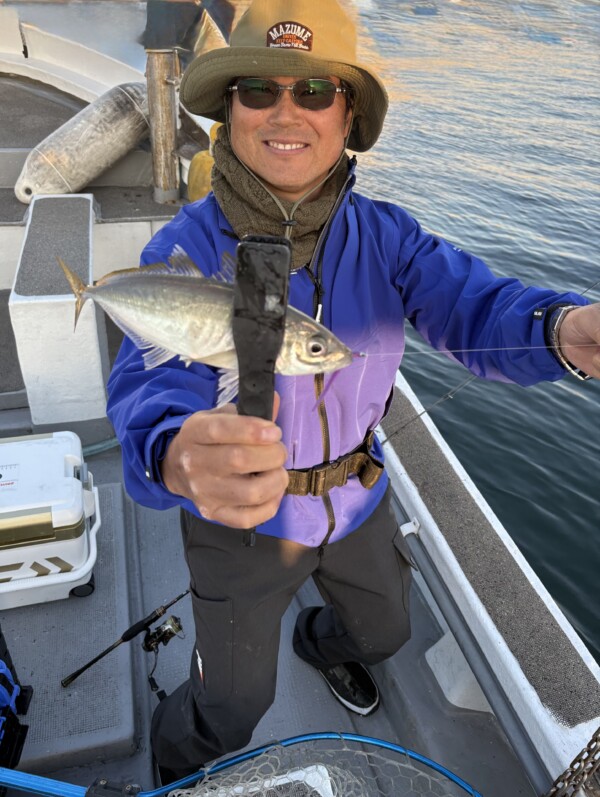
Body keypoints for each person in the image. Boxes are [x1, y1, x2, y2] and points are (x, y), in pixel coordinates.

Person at [106, 0, 600, 782]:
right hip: (242, 524)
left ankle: (320, 644)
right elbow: (148, 381)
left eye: (313, 92)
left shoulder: (390, 236)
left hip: (359, 499)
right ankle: (182, 770)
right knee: (230, 706)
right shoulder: (186, 246)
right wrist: (171, 451)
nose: (284, 112)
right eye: (257, 89)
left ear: (347, 114)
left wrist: (562, 329)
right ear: (229, 110)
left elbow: (474, 305)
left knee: (385, 630)